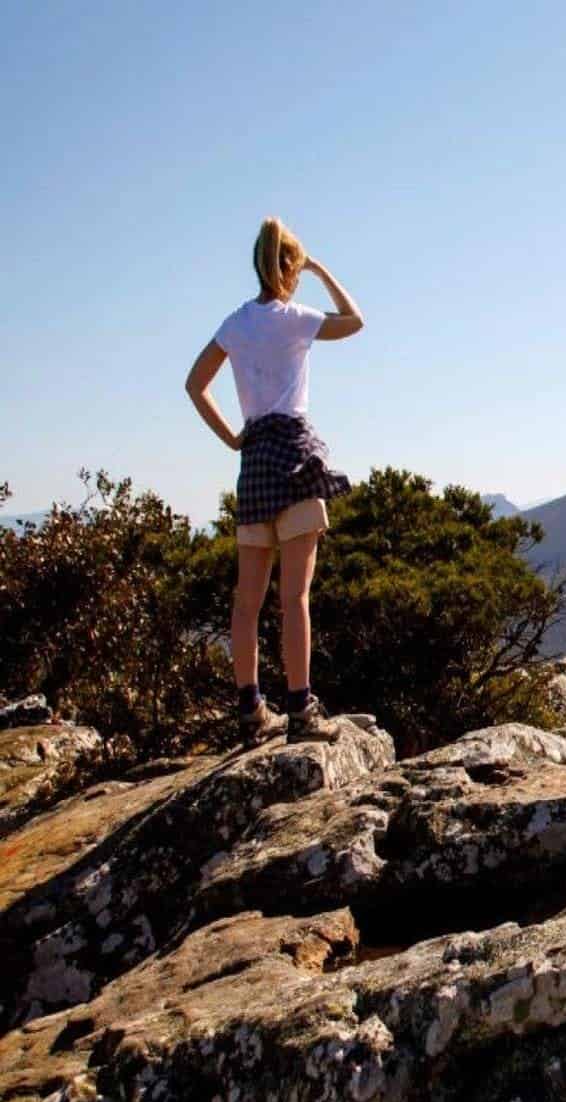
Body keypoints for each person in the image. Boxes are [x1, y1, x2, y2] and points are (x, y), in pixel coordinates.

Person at [184, 217, 364, 745]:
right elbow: (354, 320)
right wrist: (323, 268)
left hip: (256, 460)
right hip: (297, 456)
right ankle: (300, 708)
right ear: (289, 267)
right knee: (296, 597)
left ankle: (250, 711)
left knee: (247, 600)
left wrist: (233, 439)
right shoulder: (294, 319)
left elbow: (195, 385)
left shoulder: (236, 323)